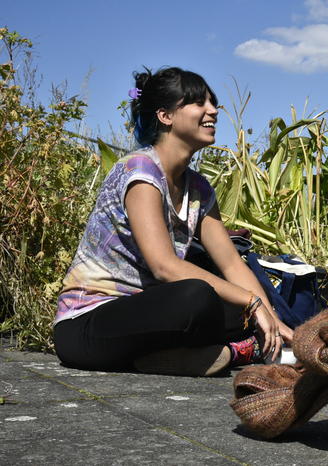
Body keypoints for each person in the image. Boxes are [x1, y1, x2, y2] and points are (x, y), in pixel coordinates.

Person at [54, 67, 292, 376]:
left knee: (237, 305)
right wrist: (252, 303)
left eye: (213, 102)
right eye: (198, 103)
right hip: (87, 326)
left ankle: (166, 357)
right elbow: (164, 267)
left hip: (151, 316)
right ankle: (230, 352)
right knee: (198, 296)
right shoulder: (140, 172)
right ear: (165, 116)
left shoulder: (199, 189)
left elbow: (232, 265)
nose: (212, 110)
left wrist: (274, 321)